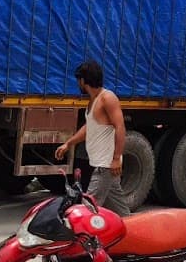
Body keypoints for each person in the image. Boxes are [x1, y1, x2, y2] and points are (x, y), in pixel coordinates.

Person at [55, 60, 131, 216]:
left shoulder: (107, 98)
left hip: (105, 166)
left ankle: (79, 234)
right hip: (102, 164)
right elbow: (89, 128)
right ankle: (130, 228)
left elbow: (120, 127)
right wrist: (68, 144)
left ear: (83, 81)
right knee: (120, 211)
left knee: (87, 209)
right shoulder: (93, 101)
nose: (78, 84)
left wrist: (116, 158)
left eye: (78, 80)